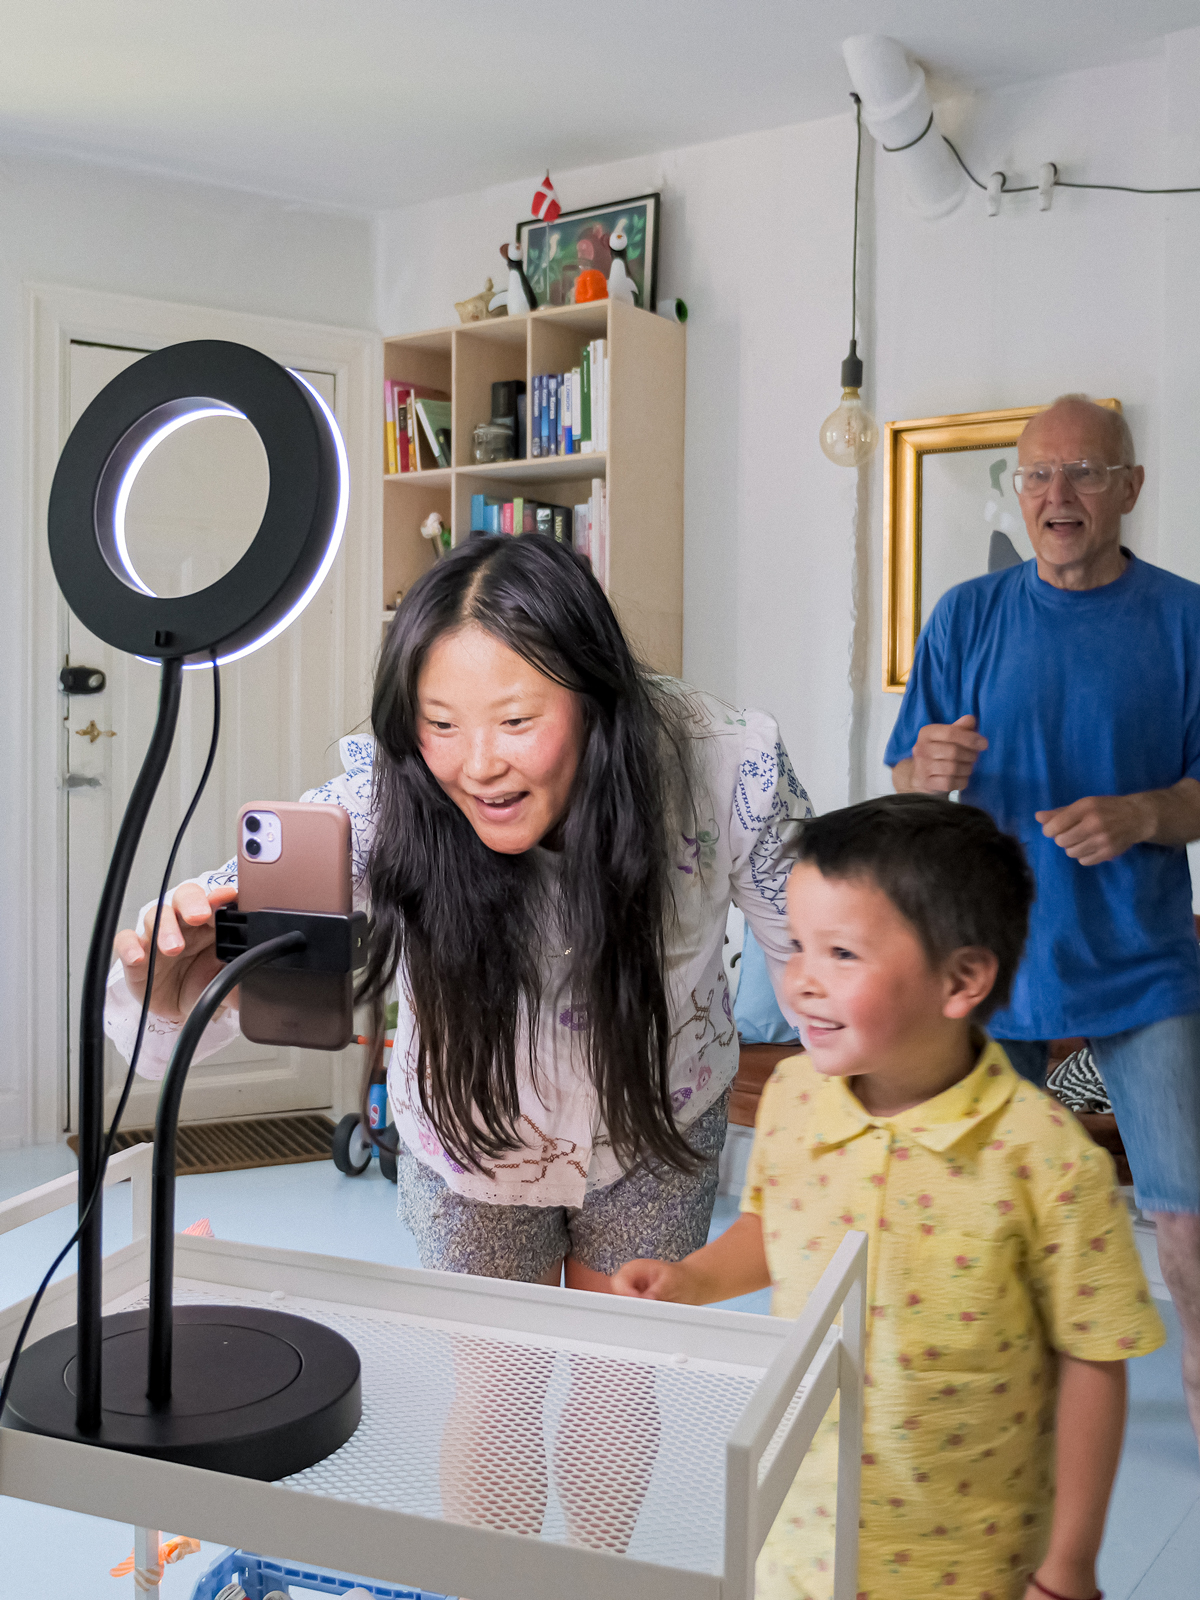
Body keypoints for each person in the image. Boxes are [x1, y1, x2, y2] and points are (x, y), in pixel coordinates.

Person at [105, 533, 812, 1540]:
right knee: (497, 1381)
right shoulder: (383, 796)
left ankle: (592, 1574)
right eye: (442, 723)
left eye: (518, 720)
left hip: (657, 1122)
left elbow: (830, 941)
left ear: (596, 694)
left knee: (620, 1381)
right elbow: (196, 998)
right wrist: (161, 988)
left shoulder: (720, 761)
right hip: (473, 1137)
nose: (478, 765)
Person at [613, 795, 1165, 1600]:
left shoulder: (1044, 1157)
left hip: (970, 1556)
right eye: (798, 945)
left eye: (841, 953)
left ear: (962, 978)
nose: (801, 981)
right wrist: (692, 1279)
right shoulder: (796, 1096)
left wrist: (1069, 1564)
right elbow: (778, 1227)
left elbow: (1092, 1358)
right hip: (799, 1530)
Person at [884, 393, 1200, 1455]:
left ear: (1131, 489)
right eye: (1037, 476)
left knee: (1189, 1225)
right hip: (993, 971)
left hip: (1144, 973)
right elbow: (904, 775)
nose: (1057, 497)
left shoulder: (1186, 618)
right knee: (990, 1216)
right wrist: (922, 771)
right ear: (1017, 491)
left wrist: (1149, 812)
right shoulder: (966, 616)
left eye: (1085, 474)